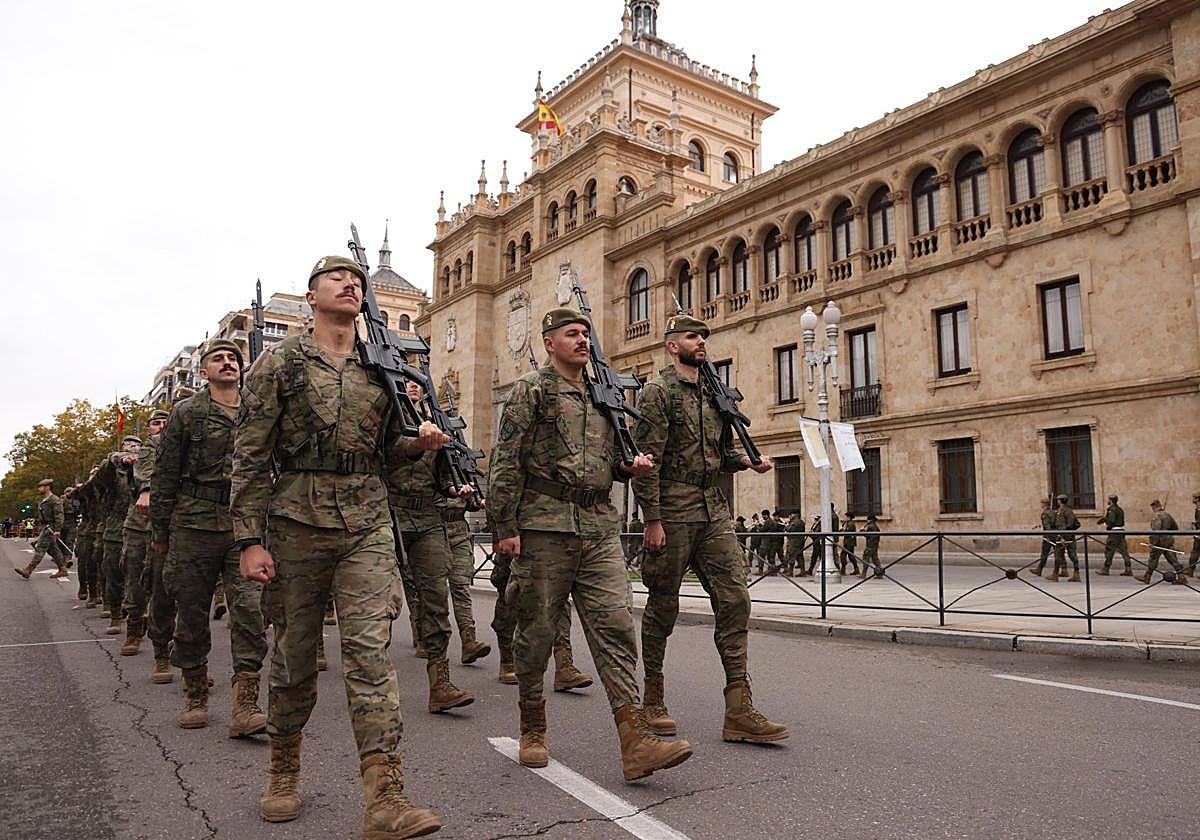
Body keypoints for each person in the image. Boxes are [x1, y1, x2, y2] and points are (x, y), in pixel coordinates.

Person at [232, 256, 446, 835]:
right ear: (311, 296)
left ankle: (385, 798)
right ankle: (283, 769)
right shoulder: (280, 363)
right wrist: (249, 539)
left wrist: (418, 444)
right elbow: (250, 456)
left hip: (367, 522)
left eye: (357, 280)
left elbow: (391, 453)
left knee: (371, 655)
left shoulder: (382, 367)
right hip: (296, 521)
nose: (350, 284)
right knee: (295, 657)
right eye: (336, 278)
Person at [489, 306, 693, 780]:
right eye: (571, 333)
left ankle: (635, 739)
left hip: (599, 526)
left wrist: (631, 467)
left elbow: (615, 457)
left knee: (616, 625)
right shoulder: (532, 390)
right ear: (549, 343)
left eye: (585, 333)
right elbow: (507, 460)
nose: (582, 340)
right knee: (537, 631)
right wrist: (504, 527)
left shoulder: (605, 395)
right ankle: (533, 726)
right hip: (545, 527)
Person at [632, 312, 788, 745]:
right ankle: (653, 699)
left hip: (713, 507)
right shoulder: (658, 392)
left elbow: (720, 453)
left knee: (735, 598)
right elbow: (647, 461)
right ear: (672, 345)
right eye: (691, 336)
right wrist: (653, 519)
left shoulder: (715, 392)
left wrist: (747, 462)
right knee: (663, 604)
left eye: (703, 336)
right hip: (673, 509)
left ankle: (739, 709)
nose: (700, 342)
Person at [152, 340, 268, 735]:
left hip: (244, 526)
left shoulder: (257, 410)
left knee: (250, 612)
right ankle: (195, 693)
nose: (227, 363)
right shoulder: (187, 412)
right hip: (193, 525)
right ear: (204, 372)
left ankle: (245, 704)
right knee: (192, 612)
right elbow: (165, 473)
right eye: (218, 359)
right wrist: (161, 531)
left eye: (233, 358)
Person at [385, 378, 475, 714]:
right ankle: (375, 680)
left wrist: (455, 489)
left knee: (437, 598)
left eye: (417, 383)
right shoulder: (386, 414)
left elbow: (445, 473)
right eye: (406, 382)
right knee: (381, 600)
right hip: (389, 514)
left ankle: (440, 684)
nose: (412, 387)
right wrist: (415, 444)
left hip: (427, 517)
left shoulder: (436, 422)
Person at [118, 410, 168, 656]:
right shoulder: (141, 451)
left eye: (165, 423)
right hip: (139, 524)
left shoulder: (182, 446)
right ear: (149, 428)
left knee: (165, 582)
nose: (161, 427)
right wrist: (125, 458)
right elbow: (120, 459)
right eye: (156, 423)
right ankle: (134, 629)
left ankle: (165, 640)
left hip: (169, 523)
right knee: (134, 576)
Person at [438, 496, 492, 666]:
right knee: (434, 591)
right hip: (431, 532)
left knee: (461, 587)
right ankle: (426, 637)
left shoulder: (461, 476)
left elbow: (472, 504)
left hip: (459, 534)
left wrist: (476, 501)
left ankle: (469, 642)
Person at [13, 479, 67, 579]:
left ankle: (28, 570)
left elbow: (59, 516)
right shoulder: (43, 500)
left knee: (40, 548)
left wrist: (57, 530)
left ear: (48, 487)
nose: (39, 489)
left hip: (50, 528)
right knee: (53, 550)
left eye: (41, 487)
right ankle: (63, 569)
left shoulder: (54, 500)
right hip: (45, 527)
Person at [1139, 499, 1185, 584]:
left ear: (1154, 507)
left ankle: (1147, 577)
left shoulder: (1156, 516)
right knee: (1172, 559)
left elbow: (1156, 531)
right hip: (1168, 539)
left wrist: (1152, 543)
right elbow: (1175, 527)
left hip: (1159, 541)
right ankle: (1181, 576)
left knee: (1153, 558)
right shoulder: (1167, 515)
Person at [1096, 494, 1132, 576]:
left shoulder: (1112, 509)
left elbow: (1111, 520)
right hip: (1121, 531)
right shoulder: (1120, 509)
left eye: (1108, 499)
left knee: (1109, 550)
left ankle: (1106, 569)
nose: (1107, 501)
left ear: (1111, 500)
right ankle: (1128, 568)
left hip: (1114, 532)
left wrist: (1105, 521)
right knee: (1124, 551)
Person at [1049, 494, 1080, 582]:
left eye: (1058, 500)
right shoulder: (1069, 510)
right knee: (1072, 555)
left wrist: (1062, 536)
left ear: (1060, 501)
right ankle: (1075, 573)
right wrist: (1071, 532)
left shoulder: (1062, 511)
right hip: (1070, 536)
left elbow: (1062, 525)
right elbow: (1077, 524)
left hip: (1063, 536)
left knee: (1058, 554)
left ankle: (1055, 574)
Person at [61, 486, 80, 594]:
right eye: (68, 492)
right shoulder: (61, 500)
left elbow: (78, 510)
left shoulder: (75, 500)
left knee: (70, 541)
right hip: (62, 524)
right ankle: (61, 557)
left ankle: (67, 558)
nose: (69, 493)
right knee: (61, 542)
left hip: (72, 523)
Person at [1031, 498, 1055, 578]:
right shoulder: (1052, 512)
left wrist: (1047, 536)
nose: (1040, 505)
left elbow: (1047, 526)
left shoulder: (1045, 513)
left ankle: (1039, 569)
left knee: (1044, 553)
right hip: (1054, 534)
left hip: (1048, 536)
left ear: (1044, 504)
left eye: (1041, 503)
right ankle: (1064, 569)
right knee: (1058, 552)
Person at [783, 512, 805, 577]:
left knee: (791, 555)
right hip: (799, 541)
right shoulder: (801, 521)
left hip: (794, 541)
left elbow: (789, 529)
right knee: (799, 556)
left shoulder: (795, 522)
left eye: (791, 514)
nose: (790, 516)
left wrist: (786, 526)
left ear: (795, 514)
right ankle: (802, 571)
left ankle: (791, 571)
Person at [861, 514, 882, 578]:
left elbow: (867, 535)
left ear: (870, 520)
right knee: (875, 559)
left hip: (870, 545)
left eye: (868, 520)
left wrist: (862, 530)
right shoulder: (876, 526)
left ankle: (863, 574)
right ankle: (880, 573)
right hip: (875, 545)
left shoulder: (870, 526)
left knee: (865, 558)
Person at [1186, 493, 1200, 578]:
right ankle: (1190, 570)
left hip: (1199, 534)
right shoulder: (1197, 509)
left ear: (1198, 499)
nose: (1193, 499)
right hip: (1197, 534)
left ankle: (1190, 570)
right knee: (1195, 552)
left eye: (1194, 498)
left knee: (1195, 552)